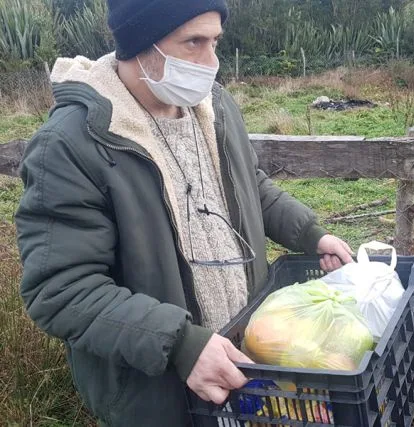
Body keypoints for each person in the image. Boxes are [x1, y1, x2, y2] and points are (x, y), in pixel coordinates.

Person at [14, 1, 354, 425]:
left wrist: (310, 234)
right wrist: (181, 344)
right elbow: (61, 290)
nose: (210, 62)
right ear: (140, 45)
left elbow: (252, 186)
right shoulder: (70, 146)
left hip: (244, 363)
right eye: (193, 42)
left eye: (215, 41)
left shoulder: (215, 108)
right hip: (159, 397)